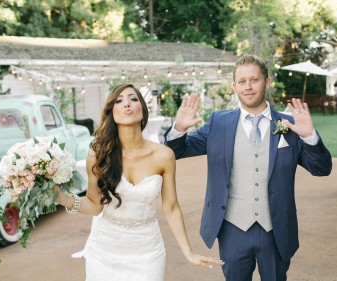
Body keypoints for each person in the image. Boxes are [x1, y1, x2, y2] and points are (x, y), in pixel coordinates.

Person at [165, 55, 333, 281]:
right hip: (233, 228)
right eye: (242, 82)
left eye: (254, 80)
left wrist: (310, 136)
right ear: (234, 87)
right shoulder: (218, 123)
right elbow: (177, 150)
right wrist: (178, 129)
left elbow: (322, 168)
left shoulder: (289, 124)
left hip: (276, 230)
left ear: (268, 82)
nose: (248, 87)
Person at [55, 83, 223, 281]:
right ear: (112, 112)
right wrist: (62, 198)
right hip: (104, 251)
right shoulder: (98, 154)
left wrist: (188, 252)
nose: (127, 104)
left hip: (147, 253)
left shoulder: (163, 155)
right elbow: (94, 205)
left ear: (143, 110)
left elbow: (171, 207)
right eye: (119, 101)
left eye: (133, 99)